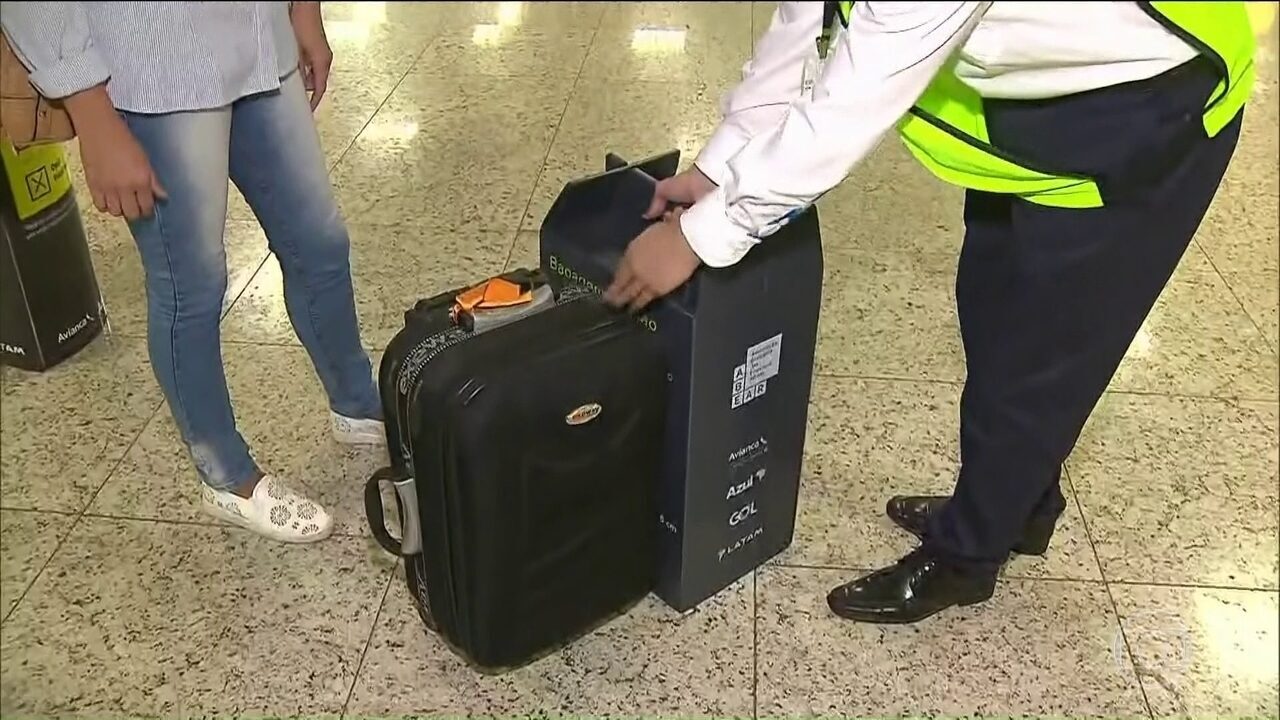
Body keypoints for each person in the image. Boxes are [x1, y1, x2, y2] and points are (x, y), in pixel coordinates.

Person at [604, 1, 1254, 623]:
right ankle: (1018, 499)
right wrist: (722, 164)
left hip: (1142, 111)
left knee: (1041, 364)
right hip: (1036, 116)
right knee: (995, 315)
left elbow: (853, 98)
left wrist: (698, 236)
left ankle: (968, 555)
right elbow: (810, 20)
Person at [2, 1, 385, 544]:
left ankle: (357, 404)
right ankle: (226, 475)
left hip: (262, 38)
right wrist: (92, 117)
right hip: (153, 64)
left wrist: (304, 10)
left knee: (320, 243)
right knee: (192, 287)